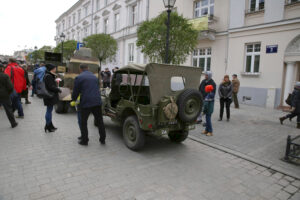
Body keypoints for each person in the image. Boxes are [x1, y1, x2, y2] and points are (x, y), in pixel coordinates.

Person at [72, 64, 106, 146]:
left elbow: (76, 91)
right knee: (100, 121)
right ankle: (102, 139)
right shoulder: (95, 77)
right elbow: (97, 88)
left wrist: (73, 99)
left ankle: (85, 140)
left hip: (86, 102)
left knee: (84, 122)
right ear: (88, 68)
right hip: (97, 101)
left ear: (80, 69)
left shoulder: (79, 77)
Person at [43, 64, 62, 132]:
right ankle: (48, 126)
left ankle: (49, 125)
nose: (55, 69)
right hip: (49, 96)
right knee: (49, 111)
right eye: (55, 68)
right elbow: (51, 87)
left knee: (49, 111)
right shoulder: (49, 76)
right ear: (52, 69)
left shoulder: (48, 75)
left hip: (48, 96)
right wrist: (58, 89)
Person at [0, 64, 18, 128]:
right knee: (8, 110)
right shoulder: (5, 76)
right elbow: (10, 87)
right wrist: (8, 93)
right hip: (4, 95)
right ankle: (13, 123)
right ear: (2, 68)